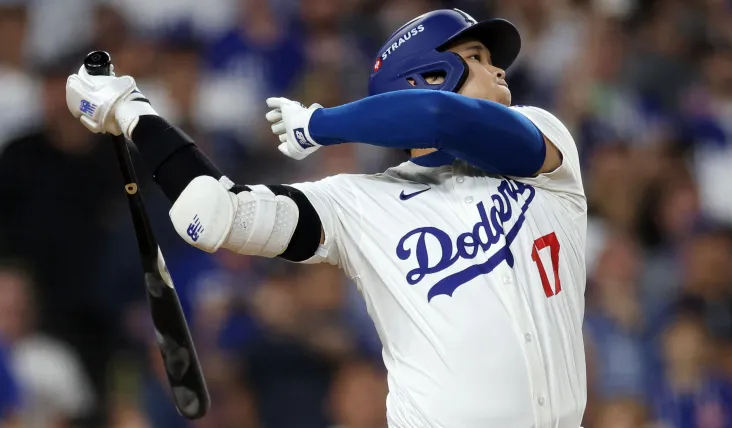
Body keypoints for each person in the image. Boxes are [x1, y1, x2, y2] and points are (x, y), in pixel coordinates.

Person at [65, 8, 587, 428]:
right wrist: (131, 111)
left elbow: (439, 116)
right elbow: (214, 213)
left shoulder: (543, 143)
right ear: (428, 76)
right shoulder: (358, 201)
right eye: (476, 56)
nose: (499, 70)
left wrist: (320, 123)